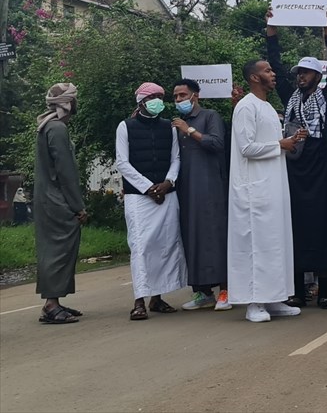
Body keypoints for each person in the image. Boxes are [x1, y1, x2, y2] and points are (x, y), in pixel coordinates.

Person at [266, 8, 327, 309]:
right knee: (296, 226)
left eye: (306, 72)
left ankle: (324, 290)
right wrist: (271, 31)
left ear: (317, 76)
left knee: (322, 226)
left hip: (322, 169)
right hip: (296, 169)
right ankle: (298, 289)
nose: (300, 76)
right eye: (298, 72)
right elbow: (275, 64)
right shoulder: (291, 98)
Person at [228, 60, 304, 323]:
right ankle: (254, 302)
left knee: (274, 243)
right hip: (253, 190)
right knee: (255, 246)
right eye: (267, 71)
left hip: (273, 186)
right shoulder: (246, 106)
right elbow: (246, 148)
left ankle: (274, 298)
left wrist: (290, 141)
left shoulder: (268, 107)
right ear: (254, 77)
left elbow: (271, 143)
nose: (273, 74)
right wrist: (280, 144)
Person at [115, 83, 188, 321]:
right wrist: (148, 188)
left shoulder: (169, 127)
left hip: (167, 194)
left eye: (160, 96)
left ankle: (157, 298)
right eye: (152, 97)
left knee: (165, 245)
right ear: (141, 101)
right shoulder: (125, 126)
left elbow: (175, 158)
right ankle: (139, 301)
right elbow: (123, 163)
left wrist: (168, 182)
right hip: (139, 198)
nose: (157, 100)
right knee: (140, 247)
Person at [171, 79, 231, 312]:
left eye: (182, 95)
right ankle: (203, 293)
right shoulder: (177, 122)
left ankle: (225, 290)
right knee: (193, 238)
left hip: (210, 187)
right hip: (186, 189)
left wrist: (190, 130)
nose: (178, 100)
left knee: (215, 237)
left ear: (195, 96)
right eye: (175, 96)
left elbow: (216, 143)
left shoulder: (209, 116)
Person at [34, 83, 87, 324]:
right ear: (68, 103)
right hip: (57, 200)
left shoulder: (47, 126)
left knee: (52, 250)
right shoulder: (57, 128)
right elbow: (65, 172)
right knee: (59, 251)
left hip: (47, 198)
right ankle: (51, 305)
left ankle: (54, 301)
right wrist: (78, 206)